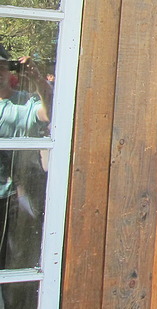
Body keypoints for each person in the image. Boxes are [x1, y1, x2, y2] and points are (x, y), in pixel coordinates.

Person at [0, 50, 52, 308]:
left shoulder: (23, 104)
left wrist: (39, 80)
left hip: (13, 203)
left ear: (9, 72)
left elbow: (51, 112)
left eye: (0, 67)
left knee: (16, 273)